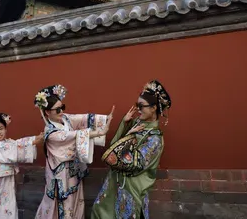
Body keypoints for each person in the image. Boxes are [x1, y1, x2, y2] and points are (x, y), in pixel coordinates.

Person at [91, 80, 172, 219]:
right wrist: (125, 124)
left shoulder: (155, 139)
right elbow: (114, 146)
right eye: (137, 105)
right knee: (100, 211)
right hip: (115, 182)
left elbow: (135, 164)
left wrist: (128, 137)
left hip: (130, 187)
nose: (138, 109)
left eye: (141, 106)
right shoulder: (137, 123)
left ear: (153, 108)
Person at [33, 84, 114, 219]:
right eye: (57, 109)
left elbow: (82, 118)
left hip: (73, 170)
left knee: (76, 198)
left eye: (62, 107)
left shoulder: (65, 118)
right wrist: (100, 132)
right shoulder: (50, 133)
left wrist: (104, 119)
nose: (61, 112)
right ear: (47, 112)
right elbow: (73, 136)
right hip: (60, 175)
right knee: (64, 202)